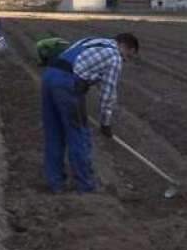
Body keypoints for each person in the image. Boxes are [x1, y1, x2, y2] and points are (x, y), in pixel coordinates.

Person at [41, 33, 139, 193]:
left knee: (54, 133)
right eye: (129, 55)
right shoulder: (115, 57)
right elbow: (108, 93)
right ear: (127, 47)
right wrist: (105, 123)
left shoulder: (90, 41)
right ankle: (85, 186)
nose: (127, 59)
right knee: (79, 135)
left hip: (49, 76)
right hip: (67, 83)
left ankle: (55, 183)